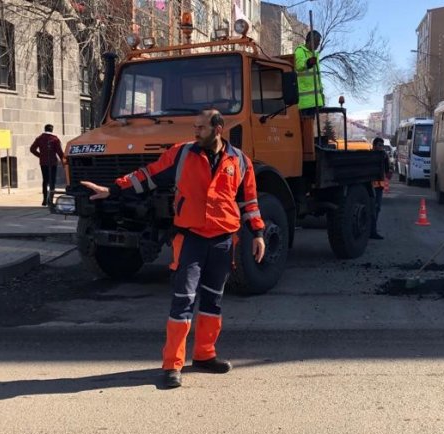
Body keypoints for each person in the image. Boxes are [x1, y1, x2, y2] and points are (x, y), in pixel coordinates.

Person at [81, 109, 266, 389]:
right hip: (190, 238)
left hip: (223, 241)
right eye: (195, 126)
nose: (195, 131)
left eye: (201, 127)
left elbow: (249, 202)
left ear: (218, 129)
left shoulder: (240, 161)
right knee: (183, 301)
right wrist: (113, 190)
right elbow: (148, 176)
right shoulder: (181, 154)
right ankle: (172, 365)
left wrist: (258, 233)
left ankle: (205, 355)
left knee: (213, 302)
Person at [30, 124, 65, 206]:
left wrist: (40, 155)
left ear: (44, 129)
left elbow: (32, 149)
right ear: (52, 130)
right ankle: (50, 201)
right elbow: (60, 152)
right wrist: (64, 161)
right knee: (52, 181)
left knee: (45, 181)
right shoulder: (55, 139)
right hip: (53, 163)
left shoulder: (40, 138)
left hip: (43, 162)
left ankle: (44, 200)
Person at [294, 30, 324, 118]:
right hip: (305, 103)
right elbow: (299, 65)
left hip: (315, 101)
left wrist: (321, 98)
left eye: (319, 42)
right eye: (317, 41)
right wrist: (308, 63)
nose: (318, 44)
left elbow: (317, 79)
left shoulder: (315, 54)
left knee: (310, 128)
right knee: (307, 128)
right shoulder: (300, 51)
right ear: (310, 40)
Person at [370, 137, 392, 240]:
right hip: (369, 186)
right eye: (379, 145)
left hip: (379, 186)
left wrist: (389, 173)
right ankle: (369, 230)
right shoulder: (369, 155)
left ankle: (373, 231)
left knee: (377, 208)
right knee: (371, 209)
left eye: (382, 146)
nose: (381, 147)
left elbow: (388, 171)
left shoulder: (383, 156)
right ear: (374, 146)